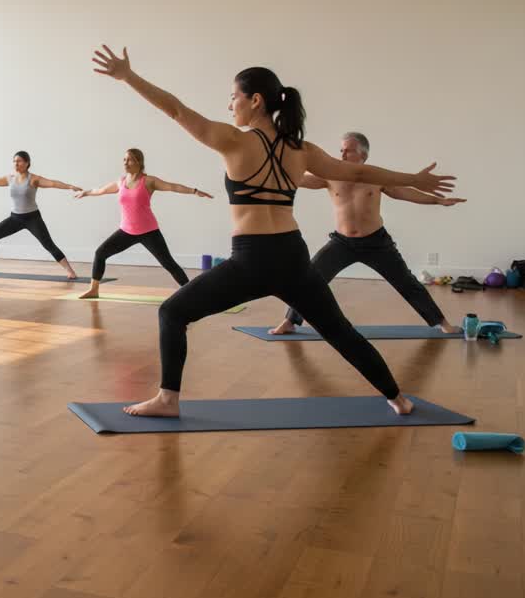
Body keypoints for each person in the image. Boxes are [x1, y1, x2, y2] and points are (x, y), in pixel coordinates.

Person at [89, 43, 456, 417]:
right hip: (293, 255)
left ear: (256, 101)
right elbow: (359, 172)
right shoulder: (302, 150)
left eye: (233, 97)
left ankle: (168, 399)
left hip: (251, 259)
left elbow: (177, 110)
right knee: (340, 332)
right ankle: (398, 398)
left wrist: (128, 77)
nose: (229, 105)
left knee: (172, 313)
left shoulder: (234, 141)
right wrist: (414, 178)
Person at [270, 132, 465, 335]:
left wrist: (437, 200)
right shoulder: (330, 175)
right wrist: (274, 168)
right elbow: (298, 179)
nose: (343, 155)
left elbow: (404, 192)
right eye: (341, 150)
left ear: (363, 155)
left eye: (349, 151)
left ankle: (442, 323)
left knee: (407, 283)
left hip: (376, 243)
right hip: (342, 243)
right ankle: (290, 321)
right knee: (309, 279)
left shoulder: (375, 177)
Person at [74, 147, 212, 298]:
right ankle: (94, 290)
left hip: (149, 231)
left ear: (139, 162)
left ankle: (192, 294)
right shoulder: (121, 182)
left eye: (130, 159)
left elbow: (173, 186)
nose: (126, 162)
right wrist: (85, 192)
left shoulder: (148, 181)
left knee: (169, 264)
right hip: (126, 231)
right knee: (100, 253)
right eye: (124, 159)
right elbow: (100, 190)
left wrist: (194, 191)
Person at [0, 150, 81, 279]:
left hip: (32, 218)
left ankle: (70, 271)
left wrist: (70, 186)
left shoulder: (34, 179)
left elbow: (52, 183)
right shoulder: (10, 178)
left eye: (18, 161)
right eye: (14, 161)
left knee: (48, 244)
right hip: (15, 218)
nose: (15, 164)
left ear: (27, 163)